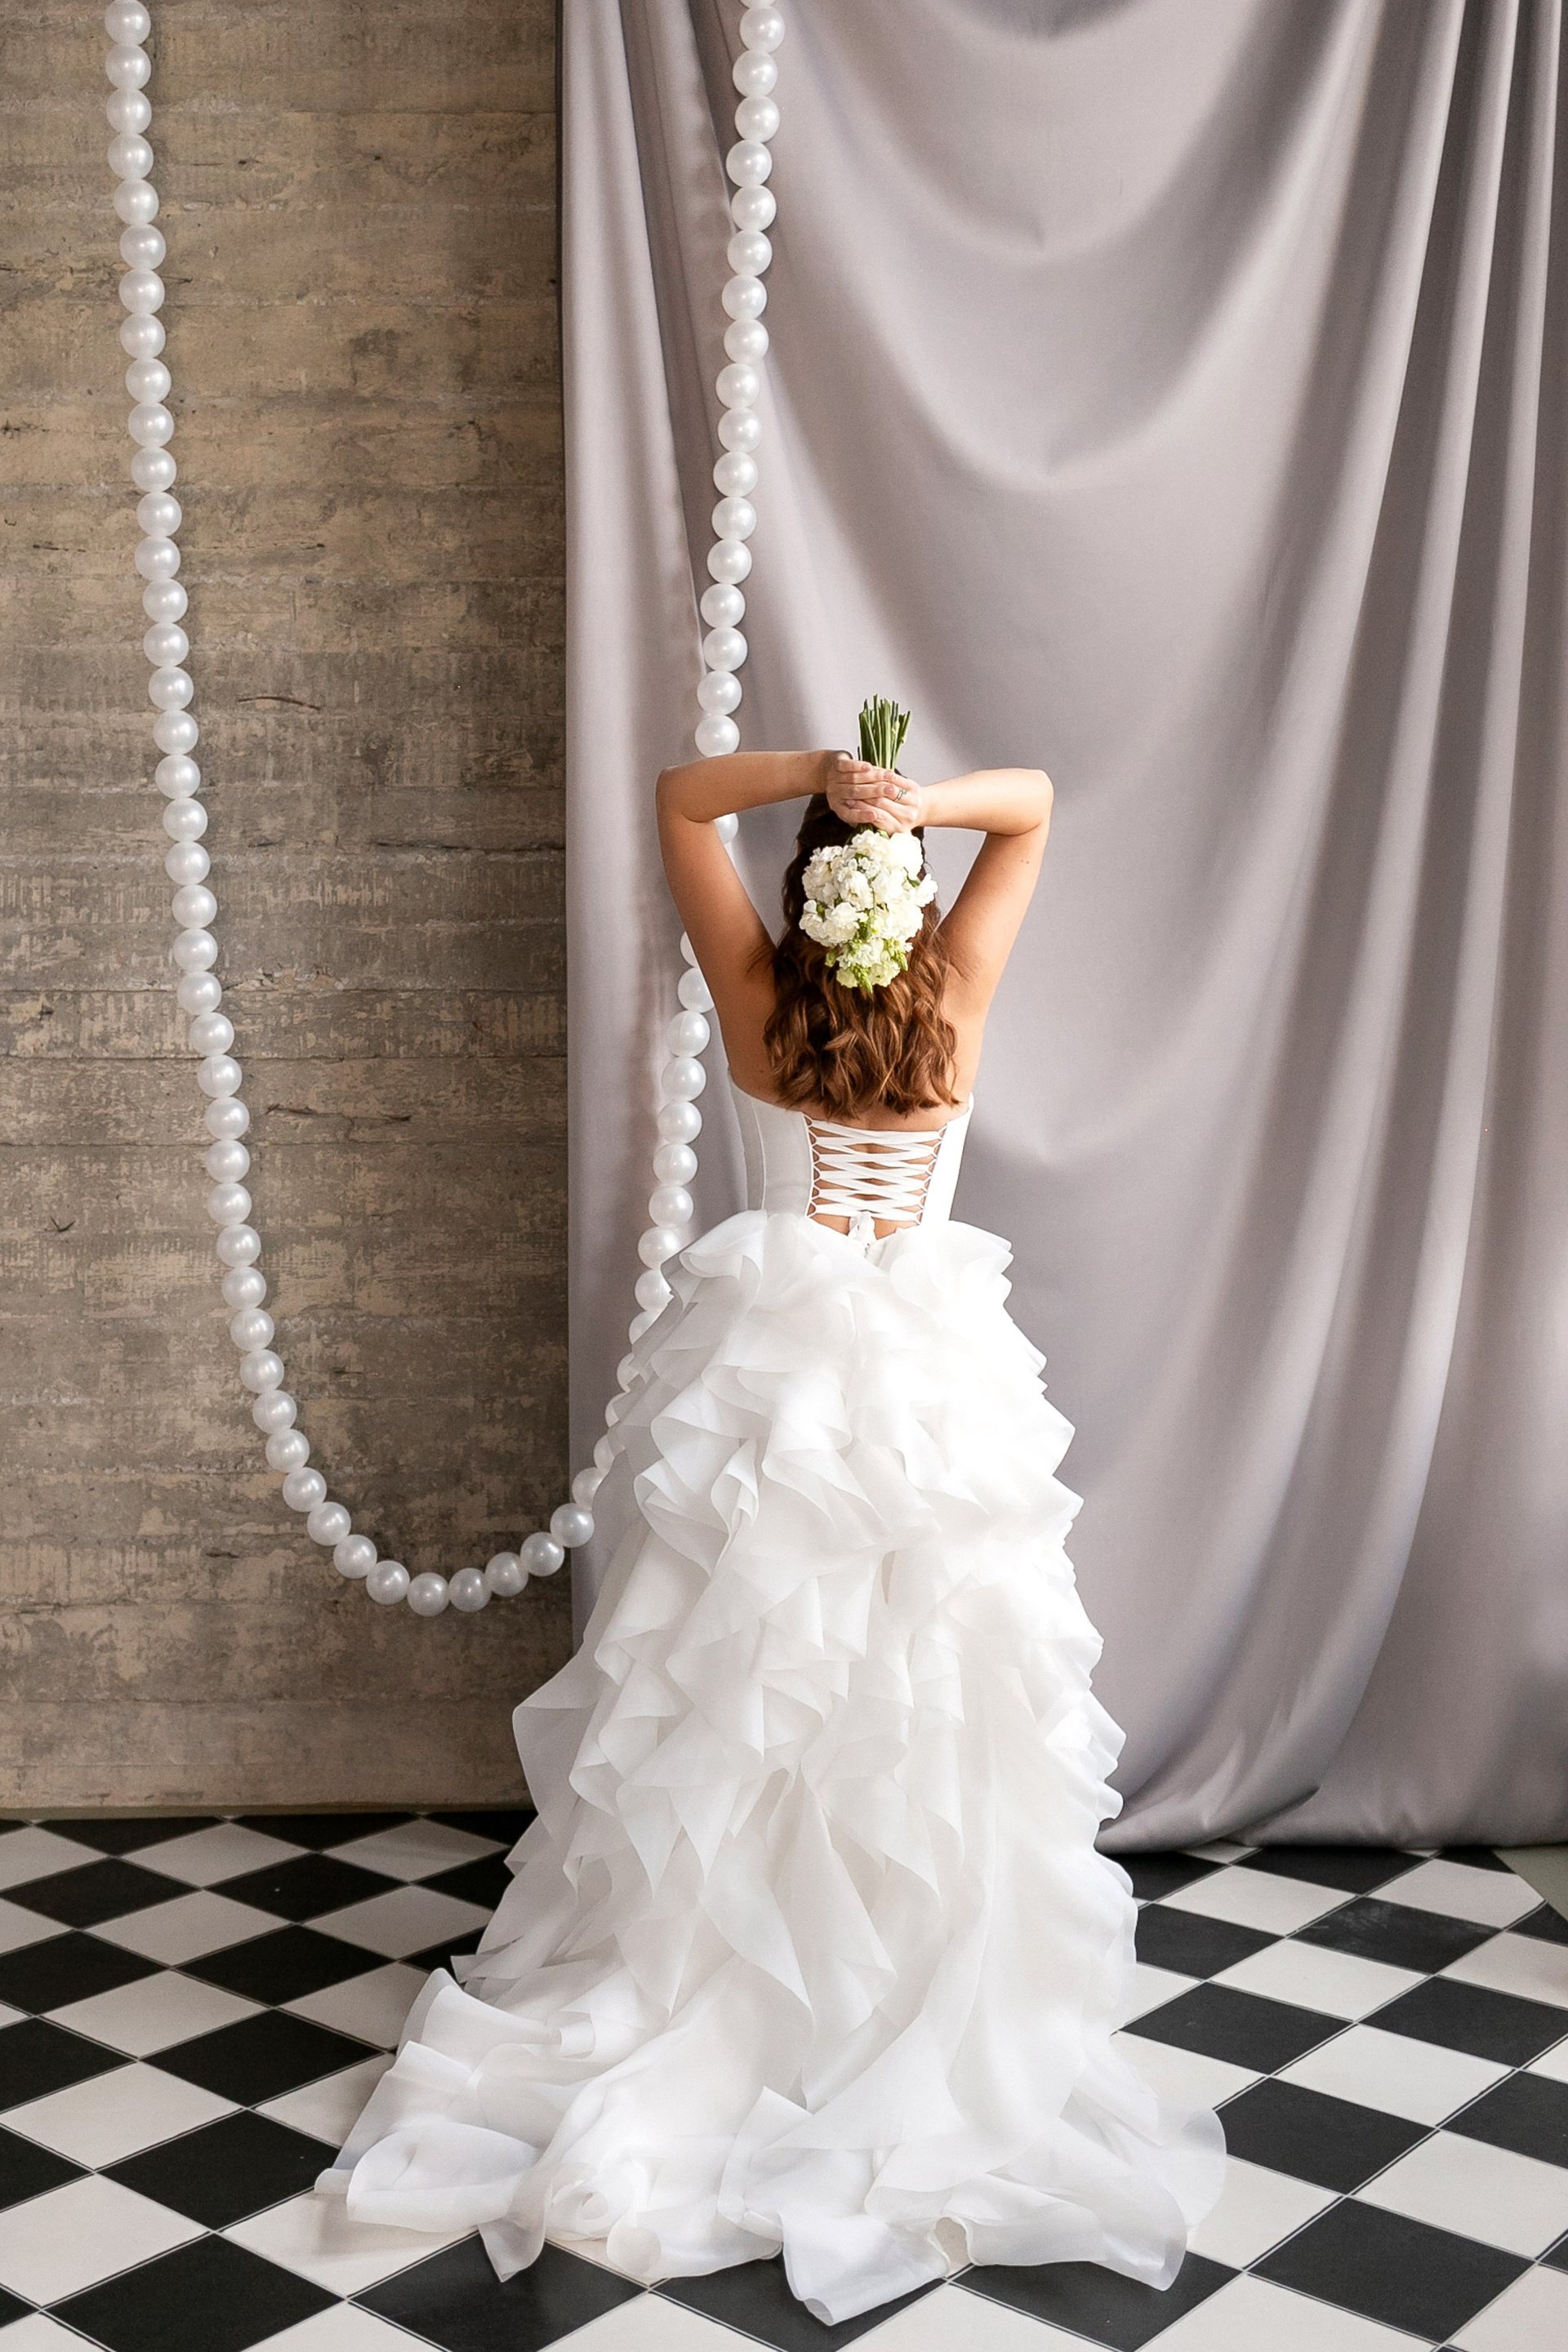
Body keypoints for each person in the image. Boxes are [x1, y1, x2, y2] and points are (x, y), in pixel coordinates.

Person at [319, 747, 1225, 2324]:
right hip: (931, 1391)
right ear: (905, 898)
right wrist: (917, 805)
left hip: (782, 1387)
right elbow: (1035, 804)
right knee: (926, 1682)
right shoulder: (955, 996)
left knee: (745, 1685)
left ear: (805, 891)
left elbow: (681, 798)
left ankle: (741, 1988)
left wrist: (819, 773)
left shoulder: (758, 997)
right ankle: (894, 1995)